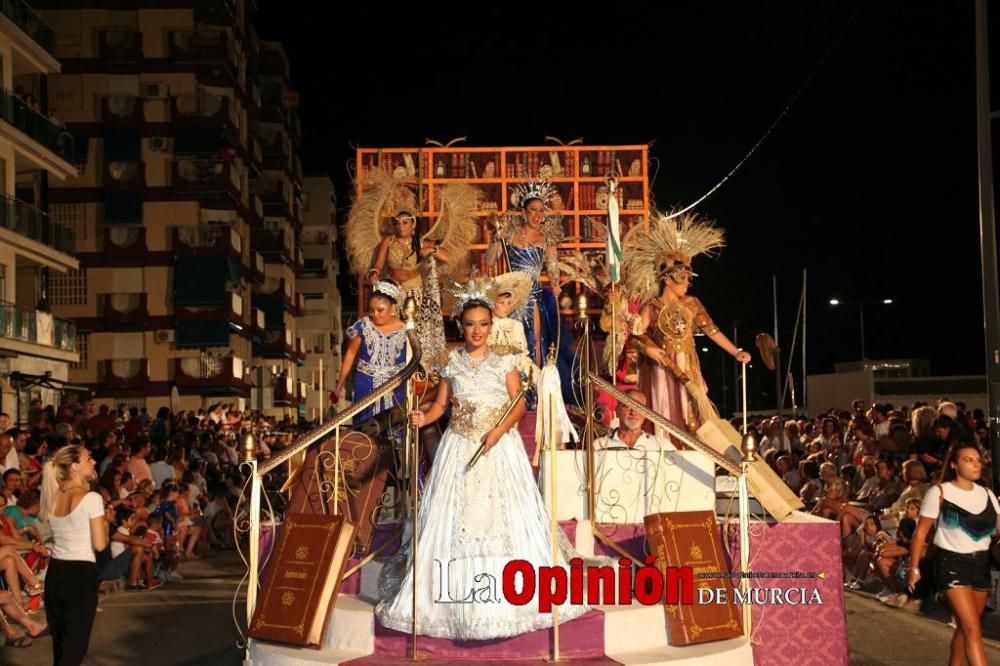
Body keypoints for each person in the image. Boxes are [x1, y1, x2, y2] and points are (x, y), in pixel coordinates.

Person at [376, 292, 589, 639]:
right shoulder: (451, 362)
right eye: (471, 324)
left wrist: (497, 432)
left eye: (484, 325)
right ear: (461, 325)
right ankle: (452, 606)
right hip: (458, 447)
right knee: (453, 522)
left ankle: (512, 599)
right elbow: (441, 406)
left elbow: (518, 403)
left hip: (498, 447)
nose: (477, 331)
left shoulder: (505, 361)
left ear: (492, 327)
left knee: (506, 521)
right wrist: (421, 416)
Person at [622, 212, 749, 438]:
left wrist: (735, 351)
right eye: (683, 277)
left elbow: (712, 330)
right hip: (662, 367)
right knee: (663, 408)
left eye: (689, 278)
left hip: (688, 364)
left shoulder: (692, 304)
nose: (688, 283)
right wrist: (648, 348)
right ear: (668, 279)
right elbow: (636, 336)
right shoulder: (652, 306)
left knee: (691, 411)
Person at [486, 180, 576, 404]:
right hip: (512, 296)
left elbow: (553, 268)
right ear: (524, 212)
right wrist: (495, 241)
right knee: (510, 341)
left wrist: (555, 284)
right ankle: (513, 389)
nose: (536, 215)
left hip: (535, 295)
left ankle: (535, 391)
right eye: (532, 210)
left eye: (541, 211)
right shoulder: (508, 235)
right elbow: (489, 260)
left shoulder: (547, 240)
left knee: (536, 340)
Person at [908, 443, 999, 666]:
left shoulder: (988, 494)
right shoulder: (939, 493)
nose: (976, 464)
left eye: (978, 460)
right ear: (954, 464)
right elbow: (920, 534)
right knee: (972, 627)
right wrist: (914, 568)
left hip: (981, 565)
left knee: (967, 625)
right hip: (951, 565)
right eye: (968, 460)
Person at [40, 444, 109, 665]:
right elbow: (100, 544)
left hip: (56, 572)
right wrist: (106, 524)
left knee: (60, 643)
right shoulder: (91, 499)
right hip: (80, 574)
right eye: (89, 458)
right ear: (76, 466)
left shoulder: (53, 495)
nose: (94, 462)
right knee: (75, 645)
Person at [335, 280, 408, 423]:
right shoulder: (363, 326)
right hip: (365, 384)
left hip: (396, 388)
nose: (375, 314)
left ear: (393, 308)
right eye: (372, 310)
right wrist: (340, 382)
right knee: (365, 429)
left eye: (380, 310)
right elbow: (350, 354)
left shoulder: (407, 331)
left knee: (394, 429)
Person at [593, 390, 668, 451]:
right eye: (627, 406)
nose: (633, 412)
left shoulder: (661, 446)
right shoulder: (600, 445)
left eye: (638, 407)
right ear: (617, 411)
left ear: (645, 414)